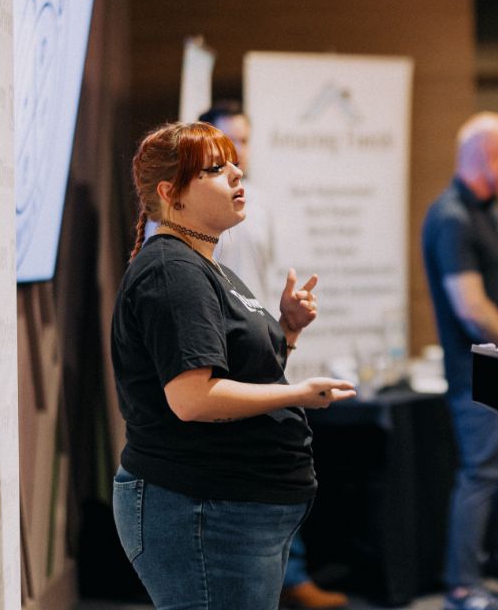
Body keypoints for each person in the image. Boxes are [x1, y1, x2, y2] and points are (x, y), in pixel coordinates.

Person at [110, 121, 356, 610]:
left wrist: (287, 329)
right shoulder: (174, 272)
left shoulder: (206, 265)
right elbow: (193, 398)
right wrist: (299, 394)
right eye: (216, 169)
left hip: (228, 508)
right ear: (170, 193)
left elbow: (240, 373)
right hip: (201, 509)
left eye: (234, 163)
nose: (237, 174)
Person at [200, 102, 349, 610]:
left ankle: (287, 576)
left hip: (264, 348)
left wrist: (285, 327)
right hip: (214, 356)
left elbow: (266, 277)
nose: (239, 155)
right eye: (226, 144)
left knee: (275, 459)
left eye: (244, 141)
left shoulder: (257, 203)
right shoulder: (180, 227)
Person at [422, 111, 498, 610]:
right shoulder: (451, 216)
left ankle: (487, 573)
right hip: (475, 374)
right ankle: (462, 585)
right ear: (490, 157)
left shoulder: (491, 208)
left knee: (497, 474)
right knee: (481, 475)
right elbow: (471, 307)